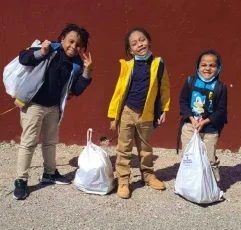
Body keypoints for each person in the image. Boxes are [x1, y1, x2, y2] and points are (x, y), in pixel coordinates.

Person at [13, 23, 93, 200]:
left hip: (54, 107)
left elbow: (76, 89)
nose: (73, 47)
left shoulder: (77, 63)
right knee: (29, 142)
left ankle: (49, 174)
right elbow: (23, 58)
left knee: (50, 142)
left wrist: (87, 72)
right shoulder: (48, 48)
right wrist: (40, 52)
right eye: (70, 41)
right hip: (33, 104)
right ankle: (21, 180)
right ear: (62, 38)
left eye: (78, 45)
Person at [107, 27, 170, 199]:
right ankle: (123, 180)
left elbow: (164, 88)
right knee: (124, 148)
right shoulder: (128, 66)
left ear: (149, 41)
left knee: (145, 147)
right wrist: (114, 114)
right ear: (130, 50)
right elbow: (119, 91)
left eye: (142, 40)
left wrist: (164, 109)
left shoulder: (158, 64)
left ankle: (148, 175)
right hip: (127, 111)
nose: (139, 44)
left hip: (147, 113)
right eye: (134, 43)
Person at [179, 49, 227, 186]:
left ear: (218, 68)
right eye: (204, 65)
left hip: (210, 129)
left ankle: (211, 184)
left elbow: (221, 110)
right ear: (198, 66)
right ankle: (189, 183)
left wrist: (205, 121)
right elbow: (183, 102)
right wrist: (192, 119)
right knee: (188, 155)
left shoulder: (220, 87)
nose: (207, 68)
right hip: (190, 126)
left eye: (212, 65)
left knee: (209, 157)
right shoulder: (190, 82)